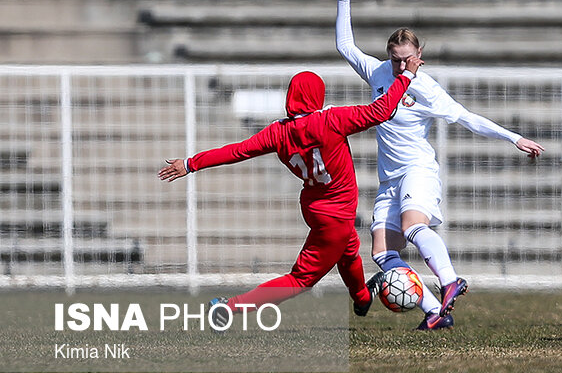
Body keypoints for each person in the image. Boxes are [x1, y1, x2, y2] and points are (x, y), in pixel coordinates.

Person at [335, 0, 545, 331]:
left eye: (407, 60)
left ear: (419, 56)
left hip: (418, 170)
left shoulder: (427, 88)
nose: (401, 67)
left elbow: (466, 117)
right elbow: (345, 46)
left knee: (413, 226)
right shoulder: (379, 73)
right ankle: (435, 311)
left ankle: (449, 280)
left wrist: (513, 138)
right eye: (395, 59)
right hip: (390, 177)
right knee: (382, 253)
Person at [158, 58, 422, 327]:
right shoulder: (331, 120)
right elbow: (383, 110)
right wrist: (406, 76)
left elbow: (237, 151)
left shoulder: (278, 131)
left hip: (314, 205)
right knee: (301, 278)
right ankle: (229, 309)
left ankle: (362, 298)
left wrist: (191, 163)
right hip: (336, 213)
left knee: (349, 247)